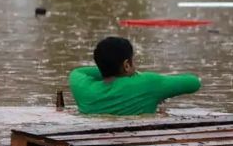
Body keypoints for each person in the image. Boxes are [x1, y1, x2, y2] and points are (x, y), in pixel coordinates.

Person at [68, 36, 201, 115]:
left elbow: (78, 71)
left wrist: (106, 69)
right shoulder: (148, 83)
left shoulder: (83, 88)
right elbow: (194, 83)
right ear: (127, 65)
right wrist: (137, 75)